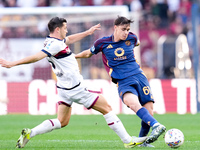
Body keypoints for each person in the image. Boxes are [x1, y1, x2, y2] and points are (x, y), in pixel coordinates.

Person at [0, 17, 147, 149]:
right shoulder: (54, 46)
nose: (67, 30)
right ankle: (128, 140)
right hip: (75, 87)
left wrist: (87, 32)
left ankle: (30, 133)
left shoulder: (52, 41)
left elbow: (68, 39)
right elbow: (37, 56)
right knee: (107, 107)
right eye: (65, 28)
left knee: (62, 121)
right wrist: (13, 63)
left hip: (63, 87)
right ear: (58, 29)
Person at [75, 16, 166, 147]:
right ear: (115, 28)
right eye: (123, 29)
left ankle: (142, 142)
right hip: (123, 80)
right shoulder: (103, 43)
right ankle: (156, 125)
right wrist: (74, 56)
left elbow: (138, 42)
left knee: (149, 110)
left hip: (139, 76)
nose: (126, 33)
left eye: (128, 29)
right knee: (132, 103)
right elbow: (88, 53)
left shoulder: (132, 38)